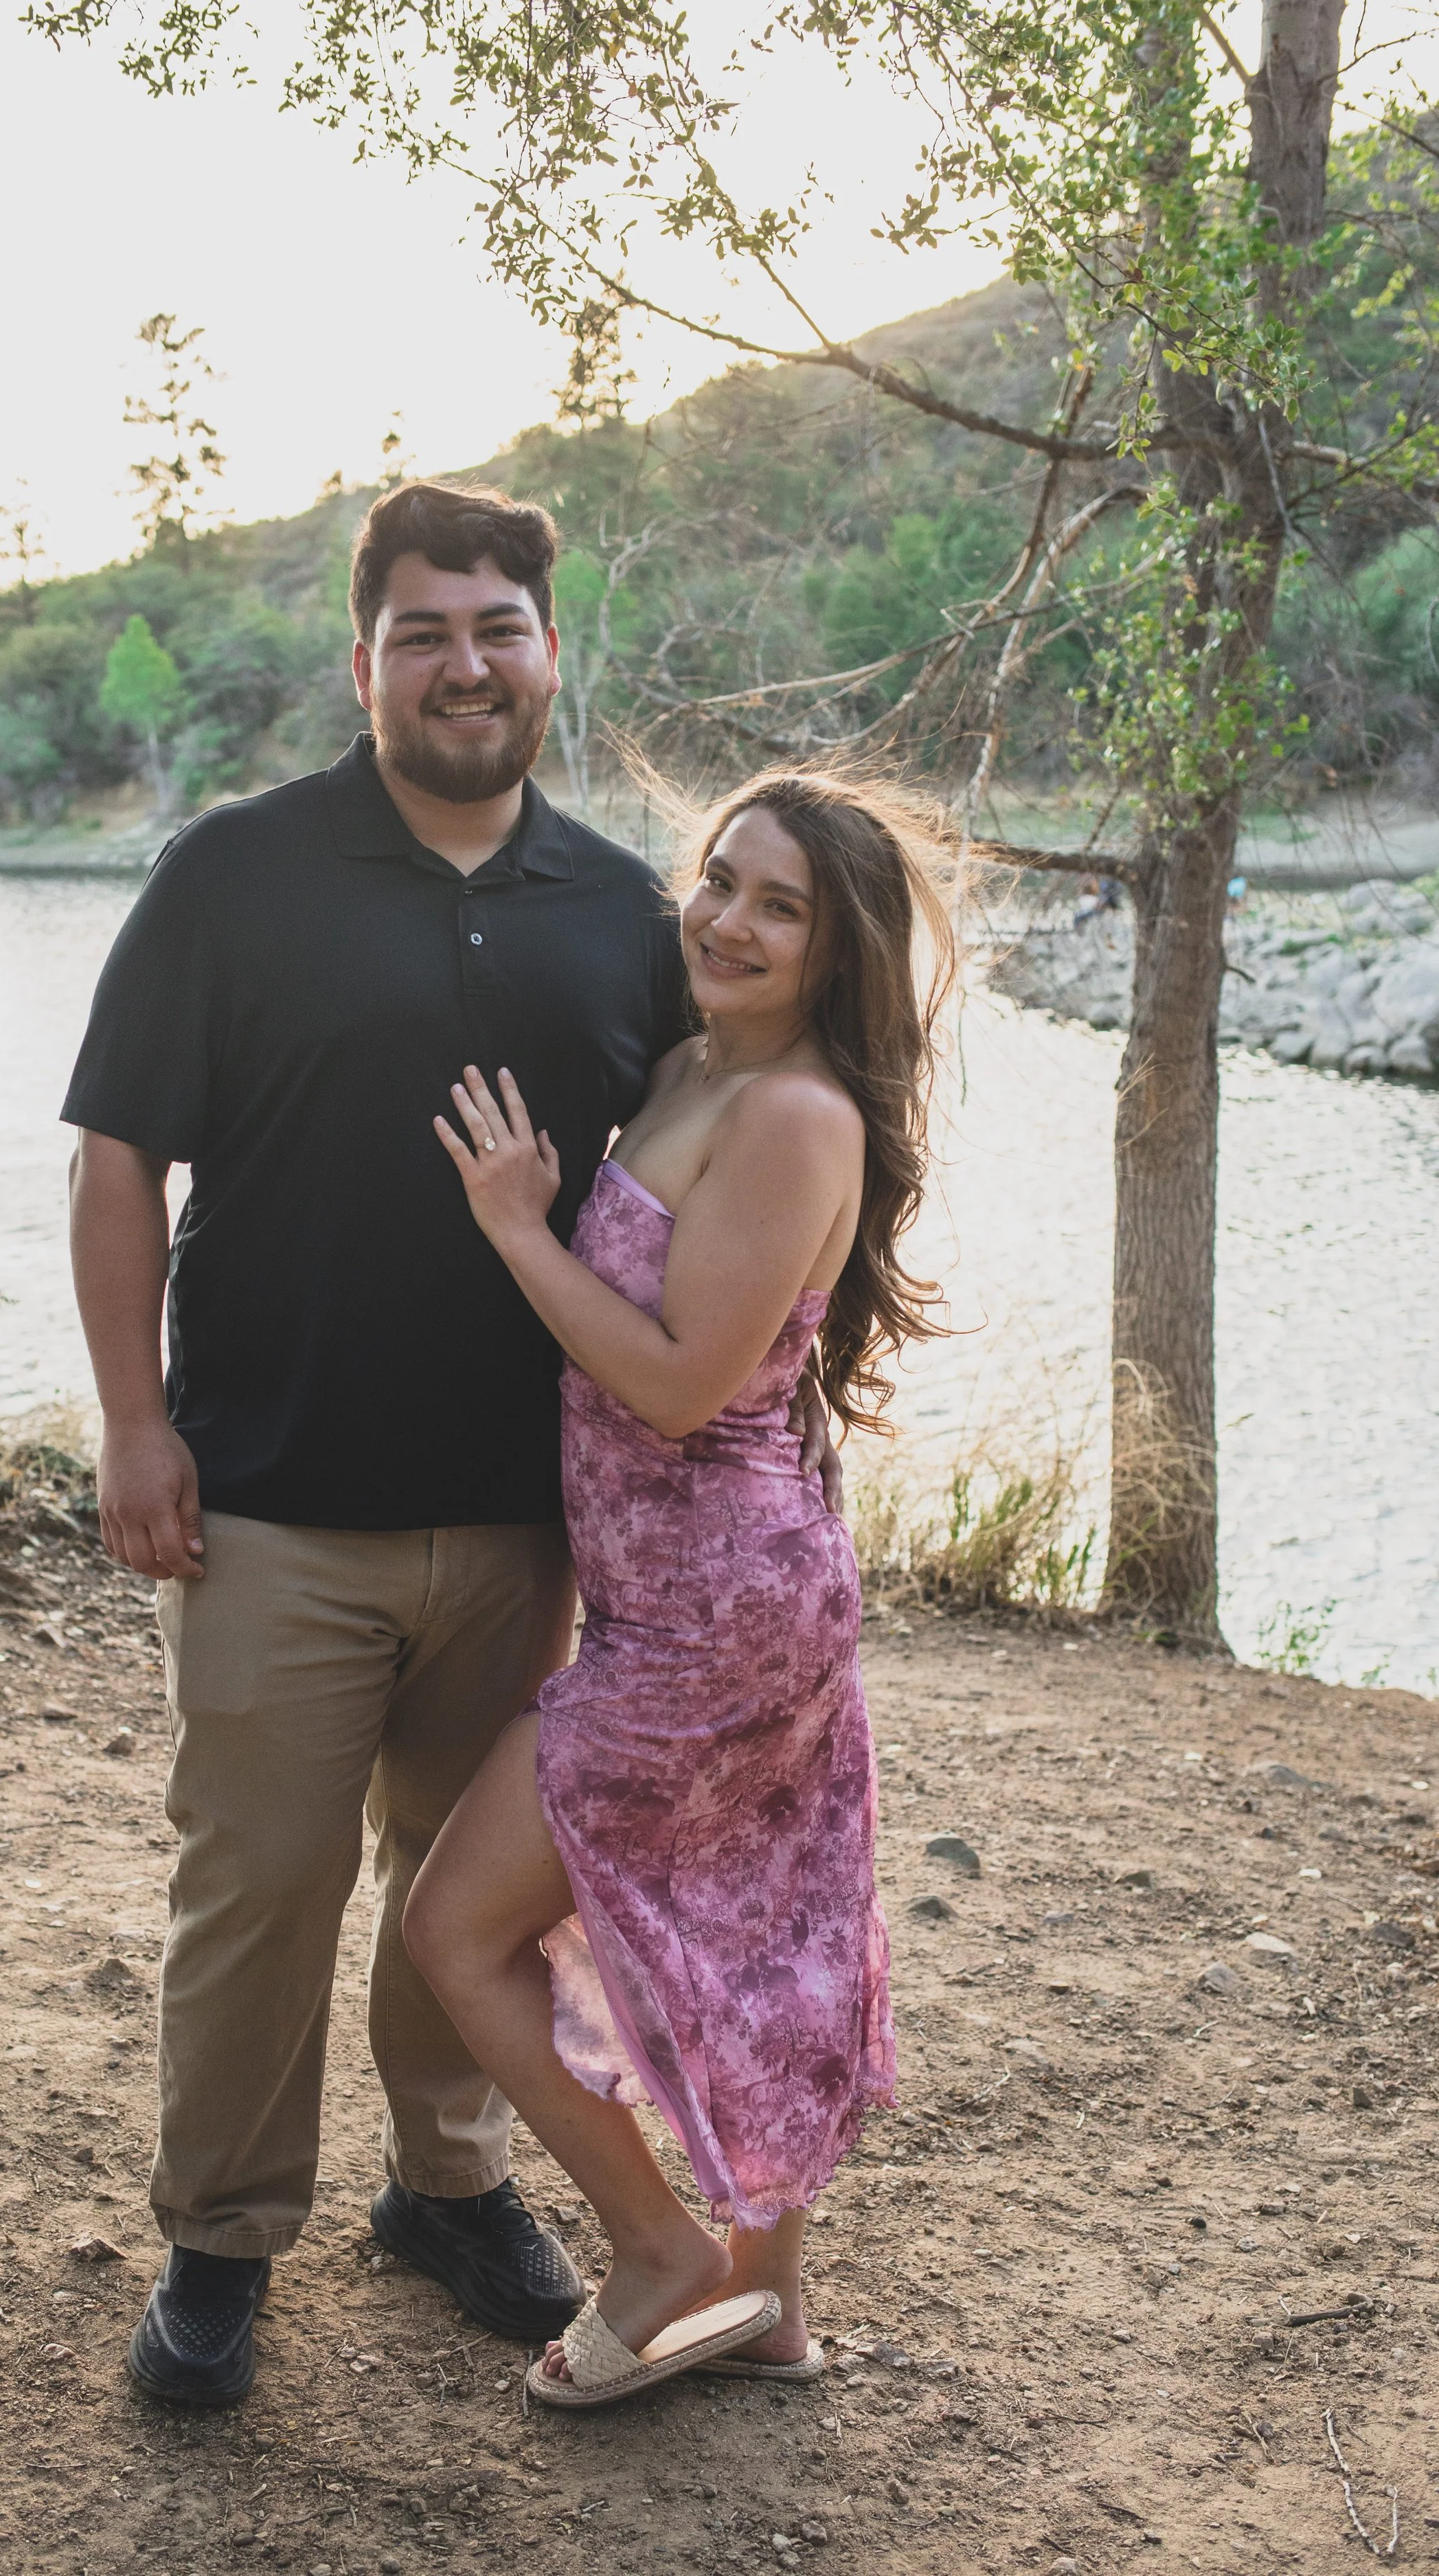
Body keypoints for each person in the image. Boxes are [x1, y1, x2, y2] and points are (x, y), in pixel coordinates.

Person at [60, 481, 838, 2406]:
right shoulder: (230, 875)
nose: (463, 662)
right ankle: (220, 2233)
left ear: (548, 652)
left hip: (526, 1522)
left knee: (471, 1881)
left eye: (497, 625)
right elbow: (113, 1159)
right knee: (257, 1875)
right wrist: (135, 1421)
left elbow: (729, 1174)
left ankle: (447, 2183)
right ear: (364, 662)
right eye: (422, 631)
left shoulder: (621, 912)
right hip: (268, 1501)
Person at [405, 769, 951, 2408]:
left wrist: (514, 1228)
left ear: (833, 948)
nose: (725, 920)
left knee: (455, 1926)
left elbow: (672, 1382)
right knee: (743, 1937)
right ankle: (768, 2306)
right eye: (719, 880)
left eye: (776, 905)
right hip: (687, 1596)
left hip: (718, 1616)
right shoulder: (695, 1067)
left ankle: (654, 2252)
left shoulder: (792, 1116)